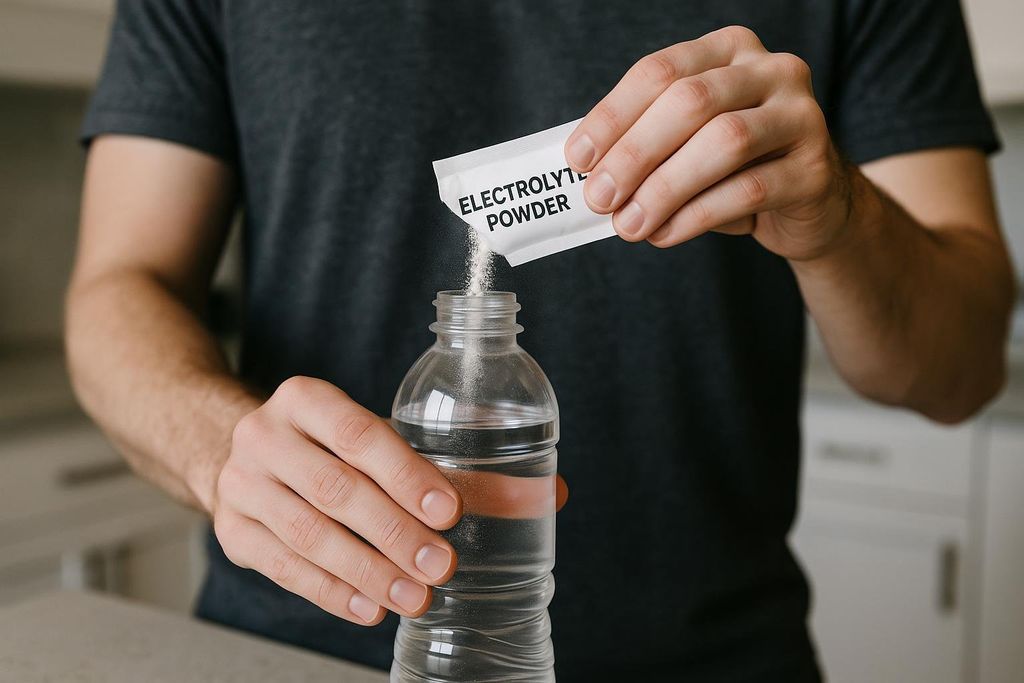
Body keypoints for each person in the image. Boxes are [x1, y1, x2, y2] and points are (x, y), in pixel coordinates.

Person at [66, 1, 1015, 680]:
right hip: (292, 650)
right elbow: (117, 288)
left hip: (712, 653)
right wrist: (219, 445)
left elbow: (964, 364)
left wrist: (840, 216)